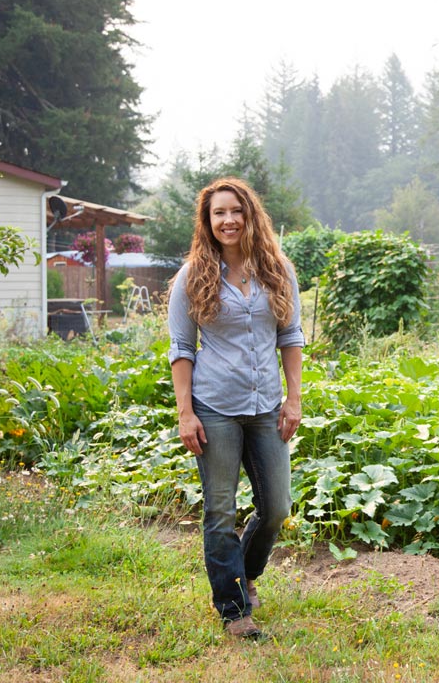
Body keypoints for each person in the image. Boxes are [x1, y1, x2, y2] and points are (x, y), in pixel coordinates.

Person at [167, 177, 304, 640]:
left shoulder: (277, 269)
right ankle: (233, 608)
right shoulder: (192, 276)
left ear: (250, 215)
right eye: (218, 213)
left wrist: (294, 398)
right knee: (220, 511)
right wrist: (186, 413)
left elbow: (290, 337)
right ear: (207, 223)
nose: (228, 220)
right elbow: (182, 348)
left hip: (266, 406)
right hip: (215, 407)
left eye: (235, 211)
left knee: (276, 508)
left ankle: (242, 574)